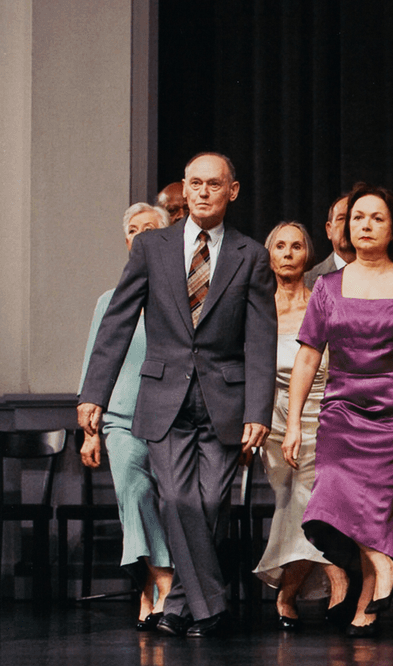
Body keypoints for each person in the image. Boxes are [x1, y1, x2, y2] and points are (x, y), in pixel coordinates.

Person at [80, 152, 277, 638]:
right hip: (164, 398)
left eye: (214, 184)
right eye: (195, 184)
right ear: (184, 191)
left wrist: (259, 409)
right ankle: (212, 607)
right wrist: (94, 395)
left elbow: (260, 340)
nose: (204, 191)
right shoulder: (152, 247)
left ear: (232, 191)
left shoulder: (250, 254)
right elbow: (117, 323)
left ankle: (183, 603)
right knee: (176, 498)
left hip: (225, 400)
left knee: (209, 502)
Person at [283, 183, 393, 637]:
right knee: (330, 494)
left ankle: (365, 610)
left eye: (376, 218)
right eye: (357, 217)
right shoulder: (327, 287)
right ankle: (384, 562)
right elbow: (309, 356)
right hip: (342, 408)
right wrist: (294, 423)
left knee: (375, 510)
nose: (365, 225)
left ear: (392, 230)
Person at [77, 202, 174, 629]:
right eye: (132, 230)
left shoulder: (181, 294)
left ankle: (146, 591)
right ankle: (163, 579)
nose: (139, 235)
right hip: (120, 418)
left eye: (149, 228)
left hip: (172, 418)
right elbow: (95, 365)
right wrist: (90, 432)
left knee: (174, 502)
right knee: (133, 494)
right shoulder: (109, 300)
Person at [252, 222, 348, 629]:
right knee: (292, 491)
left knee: (307, 490)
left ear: (307, 254)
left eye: (296, 246)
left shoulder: (323, 302)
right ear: (269, 255)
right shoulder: (255, 309)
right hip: (272, 420)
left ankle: (298, 588)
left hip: (323, 415)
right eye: (279, 246)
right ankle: (333, 571)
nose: (288, 253)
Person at [305, 195, 353, 288]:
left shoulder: (384, 276)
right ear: (329, 230)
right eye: (341, 218)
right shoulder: (307, 281)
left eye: (355, 218)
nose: (347, 225)